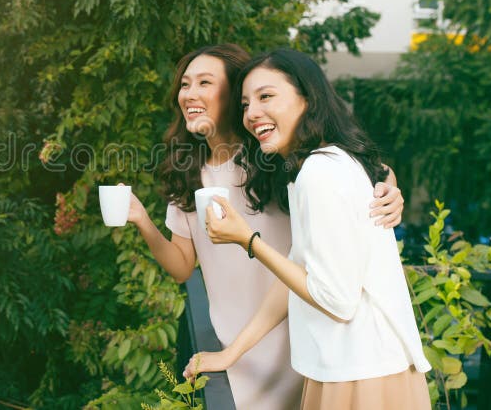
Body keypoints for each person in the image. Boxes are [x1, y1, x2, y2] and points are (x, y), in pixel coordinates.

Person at [124, 44, 405, 409]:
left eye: (204, 83)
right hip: (237, 345)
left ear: (233, 93)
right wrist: (143, 221)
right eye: (185, 84)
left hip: (300, 337)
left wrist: (390, 189)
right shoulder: (188, 170)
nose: (189, 93)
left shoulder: (273, 154)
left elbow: (362, 173)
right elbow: (181, 267)